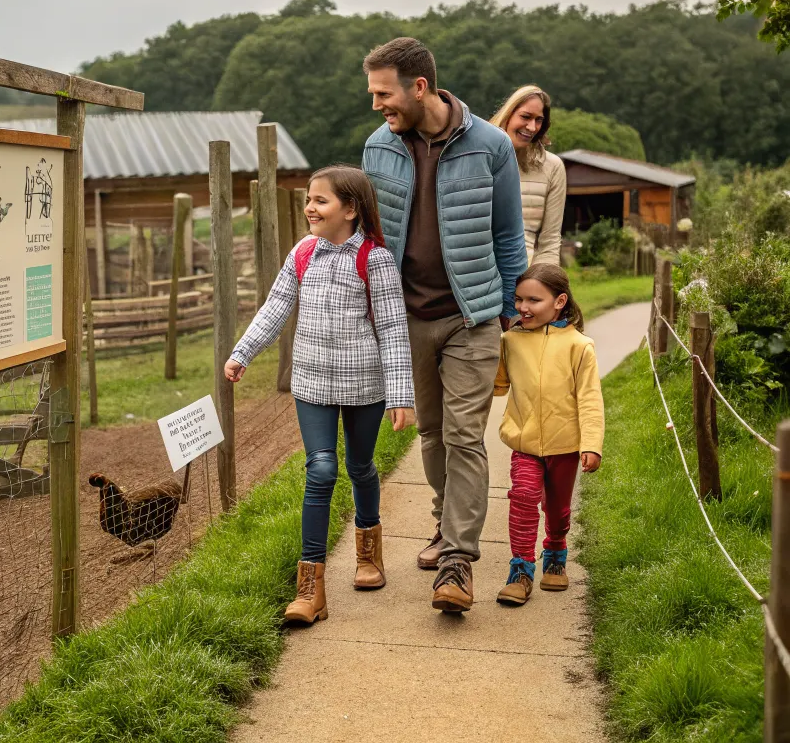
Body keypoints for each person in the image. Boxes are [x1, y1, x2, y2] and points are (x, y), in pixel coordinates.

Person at [361, 37, 527, 613]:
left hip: (470, 317)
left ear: (420, 87)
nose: (378, 106)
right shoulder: (377, 148)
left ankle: (458, 560)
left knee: (463, 436)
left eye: (384, 94)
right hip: (405, 318)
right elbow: (370, 237)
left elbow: (508, 235)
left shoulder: (491, 146)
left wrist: (513, 311)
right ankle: (444, 520)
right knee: (430, 434)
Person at [225, 165, 414, 625]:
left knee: (360, 466)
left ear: (351, 209)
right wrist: (243, 352)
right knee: (322, 469)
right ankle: (310, 588)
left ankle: (369, 553)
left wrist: (400, 395)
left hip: (364, 386)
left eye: (321, 200)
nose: (310, 207)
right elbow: (276, 306)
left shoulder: (375, 260)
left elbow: (392, 329)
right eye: (309, 199)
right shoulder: (303, 252)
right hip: (311, 383)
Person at [493, 264, 604, 606]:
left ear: (559, 301)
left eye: (533, 300)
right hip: (524, 442)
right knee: (524, 496)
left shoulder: (579, 346)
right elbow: (497, 386)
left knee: (556, 508)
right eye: (518, 299)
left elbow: (589, 399)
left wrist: (592, 444)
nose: (523, 307)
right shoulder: (509, 340)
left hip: (565, 445)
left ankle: (555, 553)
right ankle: (521, 569)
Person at [490, 85, 567, 266]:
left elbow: (550, 240)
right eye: (525, 117)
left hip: (525, 276)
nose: (532, 127)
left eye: (539, 120)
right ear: (508, 114)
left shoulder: (552, 167)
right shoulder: (478, 157)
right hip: (479, 273)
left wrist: (544, 285)